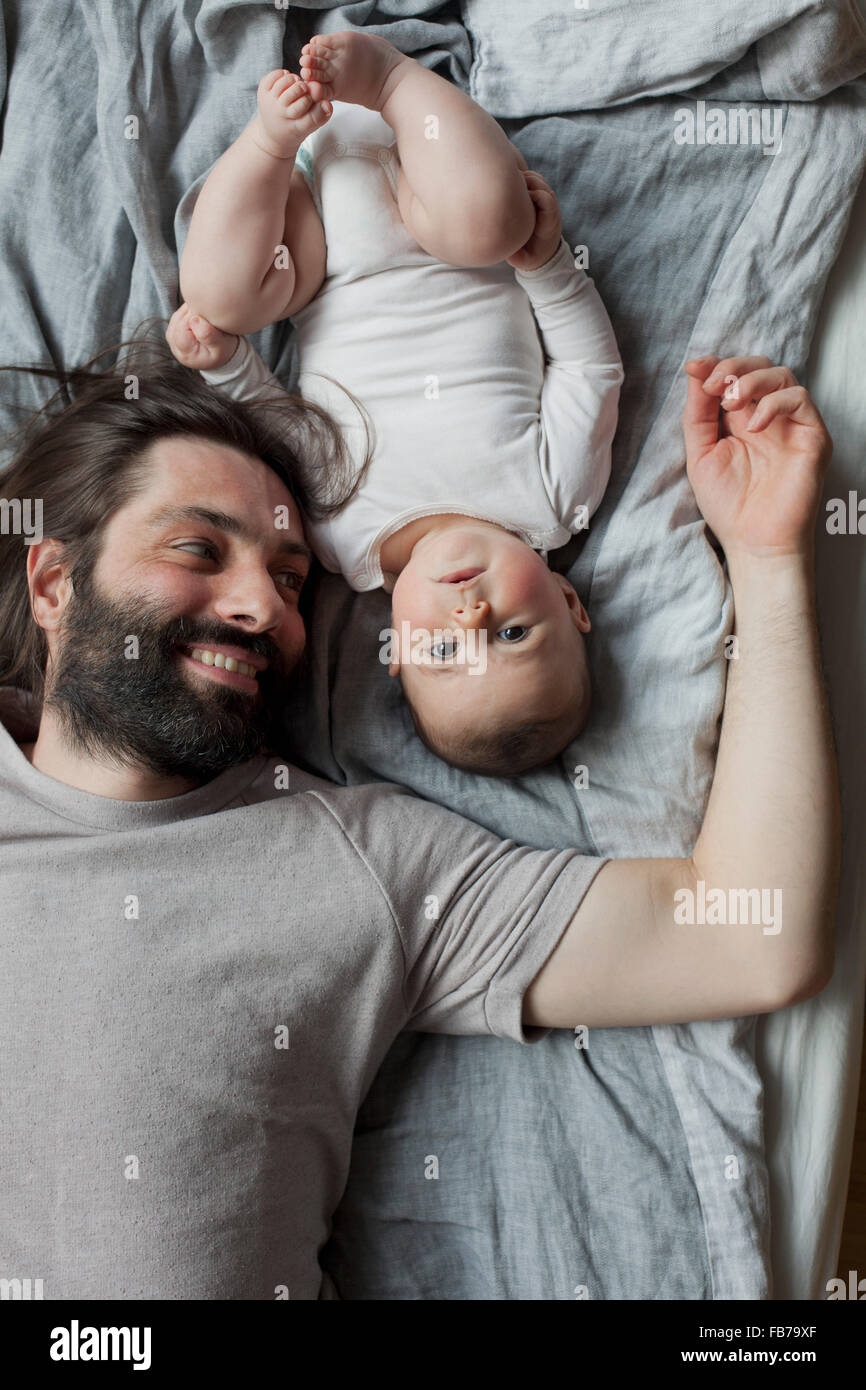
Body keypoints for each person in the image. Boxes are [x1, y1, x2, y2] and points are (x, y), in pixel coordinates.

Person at [0, 340, 839, 1298]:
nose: (261, 609)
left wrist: (769, 561)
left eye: (287, 578)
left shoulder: (358, 862)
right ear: (54, 584)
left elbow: (750, 936)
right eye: (198, 549)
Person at [175, 31, 624, 775]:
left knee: (219, 295)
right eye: (514, 634)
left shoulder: (343, 542)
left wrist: (225, 369)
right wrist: (546, 267)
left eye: (443, 650)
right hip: (443, 206)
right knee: (496, 218)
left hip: (315, 246)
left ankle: (266, 140)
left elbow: (284, 422)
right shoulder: (554, 499)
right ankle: (391, 77)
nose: (470, 616)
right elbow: (590, 369)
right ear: (570, 603)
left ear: (395, 652)